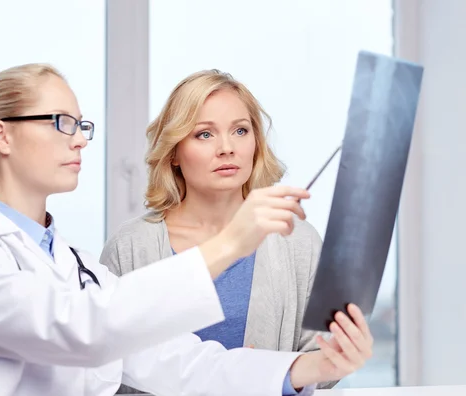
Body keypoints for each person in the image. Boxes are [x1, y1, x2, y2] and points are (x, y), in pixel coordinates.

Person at [0, 63, 373, 396]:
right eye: (61, 122)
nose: (79, 138)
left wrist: (310, 367)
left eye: (80, 126)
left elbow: (181, 363)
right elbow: (85, 330)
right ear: (2, 136)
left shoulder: (75, 266)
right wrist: (232, 244)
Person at [100, 69, 350, 392]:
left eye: (241, 131)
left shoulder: (298, 242)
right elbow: (107, 371)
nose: (227, 148)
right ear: (174, 152)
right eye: (204, 134)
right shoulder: (131, 247)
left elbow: (325, 366)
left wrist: (272, 374)